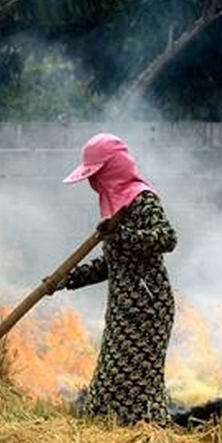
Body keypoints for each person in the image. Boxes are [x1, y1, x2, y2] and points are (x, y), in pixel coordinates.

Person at [53, 133, 178, 424]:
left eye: (96, 175)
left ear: (111, 170)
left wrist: (119, 235)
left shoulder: (142, 200)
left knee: (135, 378)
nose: (93, 183)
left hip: (147, 307)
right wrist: (68, 279)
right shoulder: (116, 210)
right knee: (111, 372)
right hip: (124, 307)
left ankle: (144, 428)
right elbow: (110, 265)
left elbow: (166, 238)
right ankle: (108, 422)